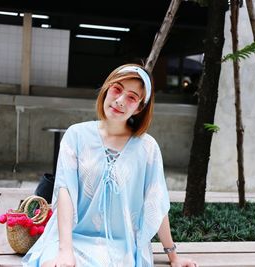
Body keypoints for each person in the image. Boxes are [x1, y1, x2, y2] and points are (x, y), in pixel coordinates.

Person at [22, 63, 198, 267]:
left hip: (120, 245)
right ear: (106, 89)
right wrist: (65, 251)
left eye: (132, 97)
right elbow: (65, 192)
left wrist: (173, 256)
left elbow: (155, 203)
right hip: (70, 238)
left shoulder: (147, 148)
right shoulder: (76, 136)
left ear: (139, 108)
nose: (120, 100)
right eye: (117, 89)